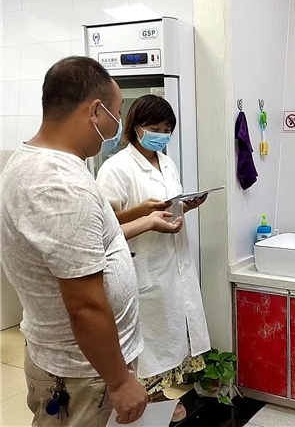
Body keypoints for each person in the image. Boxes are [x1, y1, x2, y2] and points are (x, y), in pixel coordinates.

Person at [0, 57, 183, 426]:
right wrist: (119, 380)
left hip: (85, 364)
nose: (117, 125)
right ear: (95, 111)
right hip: (83, 371)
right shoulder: (58, 185)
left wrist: (145, 220)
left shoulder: (48, 164)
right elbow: (84, 305)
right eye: (117, 113)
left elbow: (90, 246)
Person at [96, 94, 210, 423]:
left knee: (169, 335)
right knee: (145, 343)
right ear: (135, 127)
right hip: (140, 264)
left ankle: (158, 396)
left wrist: (185, 205)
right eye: (154, 128)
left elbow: (167, 206)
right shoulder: (115, 168)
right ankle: (147, 400)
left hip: (171, 262)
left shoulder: (167, 163)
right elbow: (104, 223)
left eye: (166, 129)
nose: (161, 134)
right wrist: (144, 213)